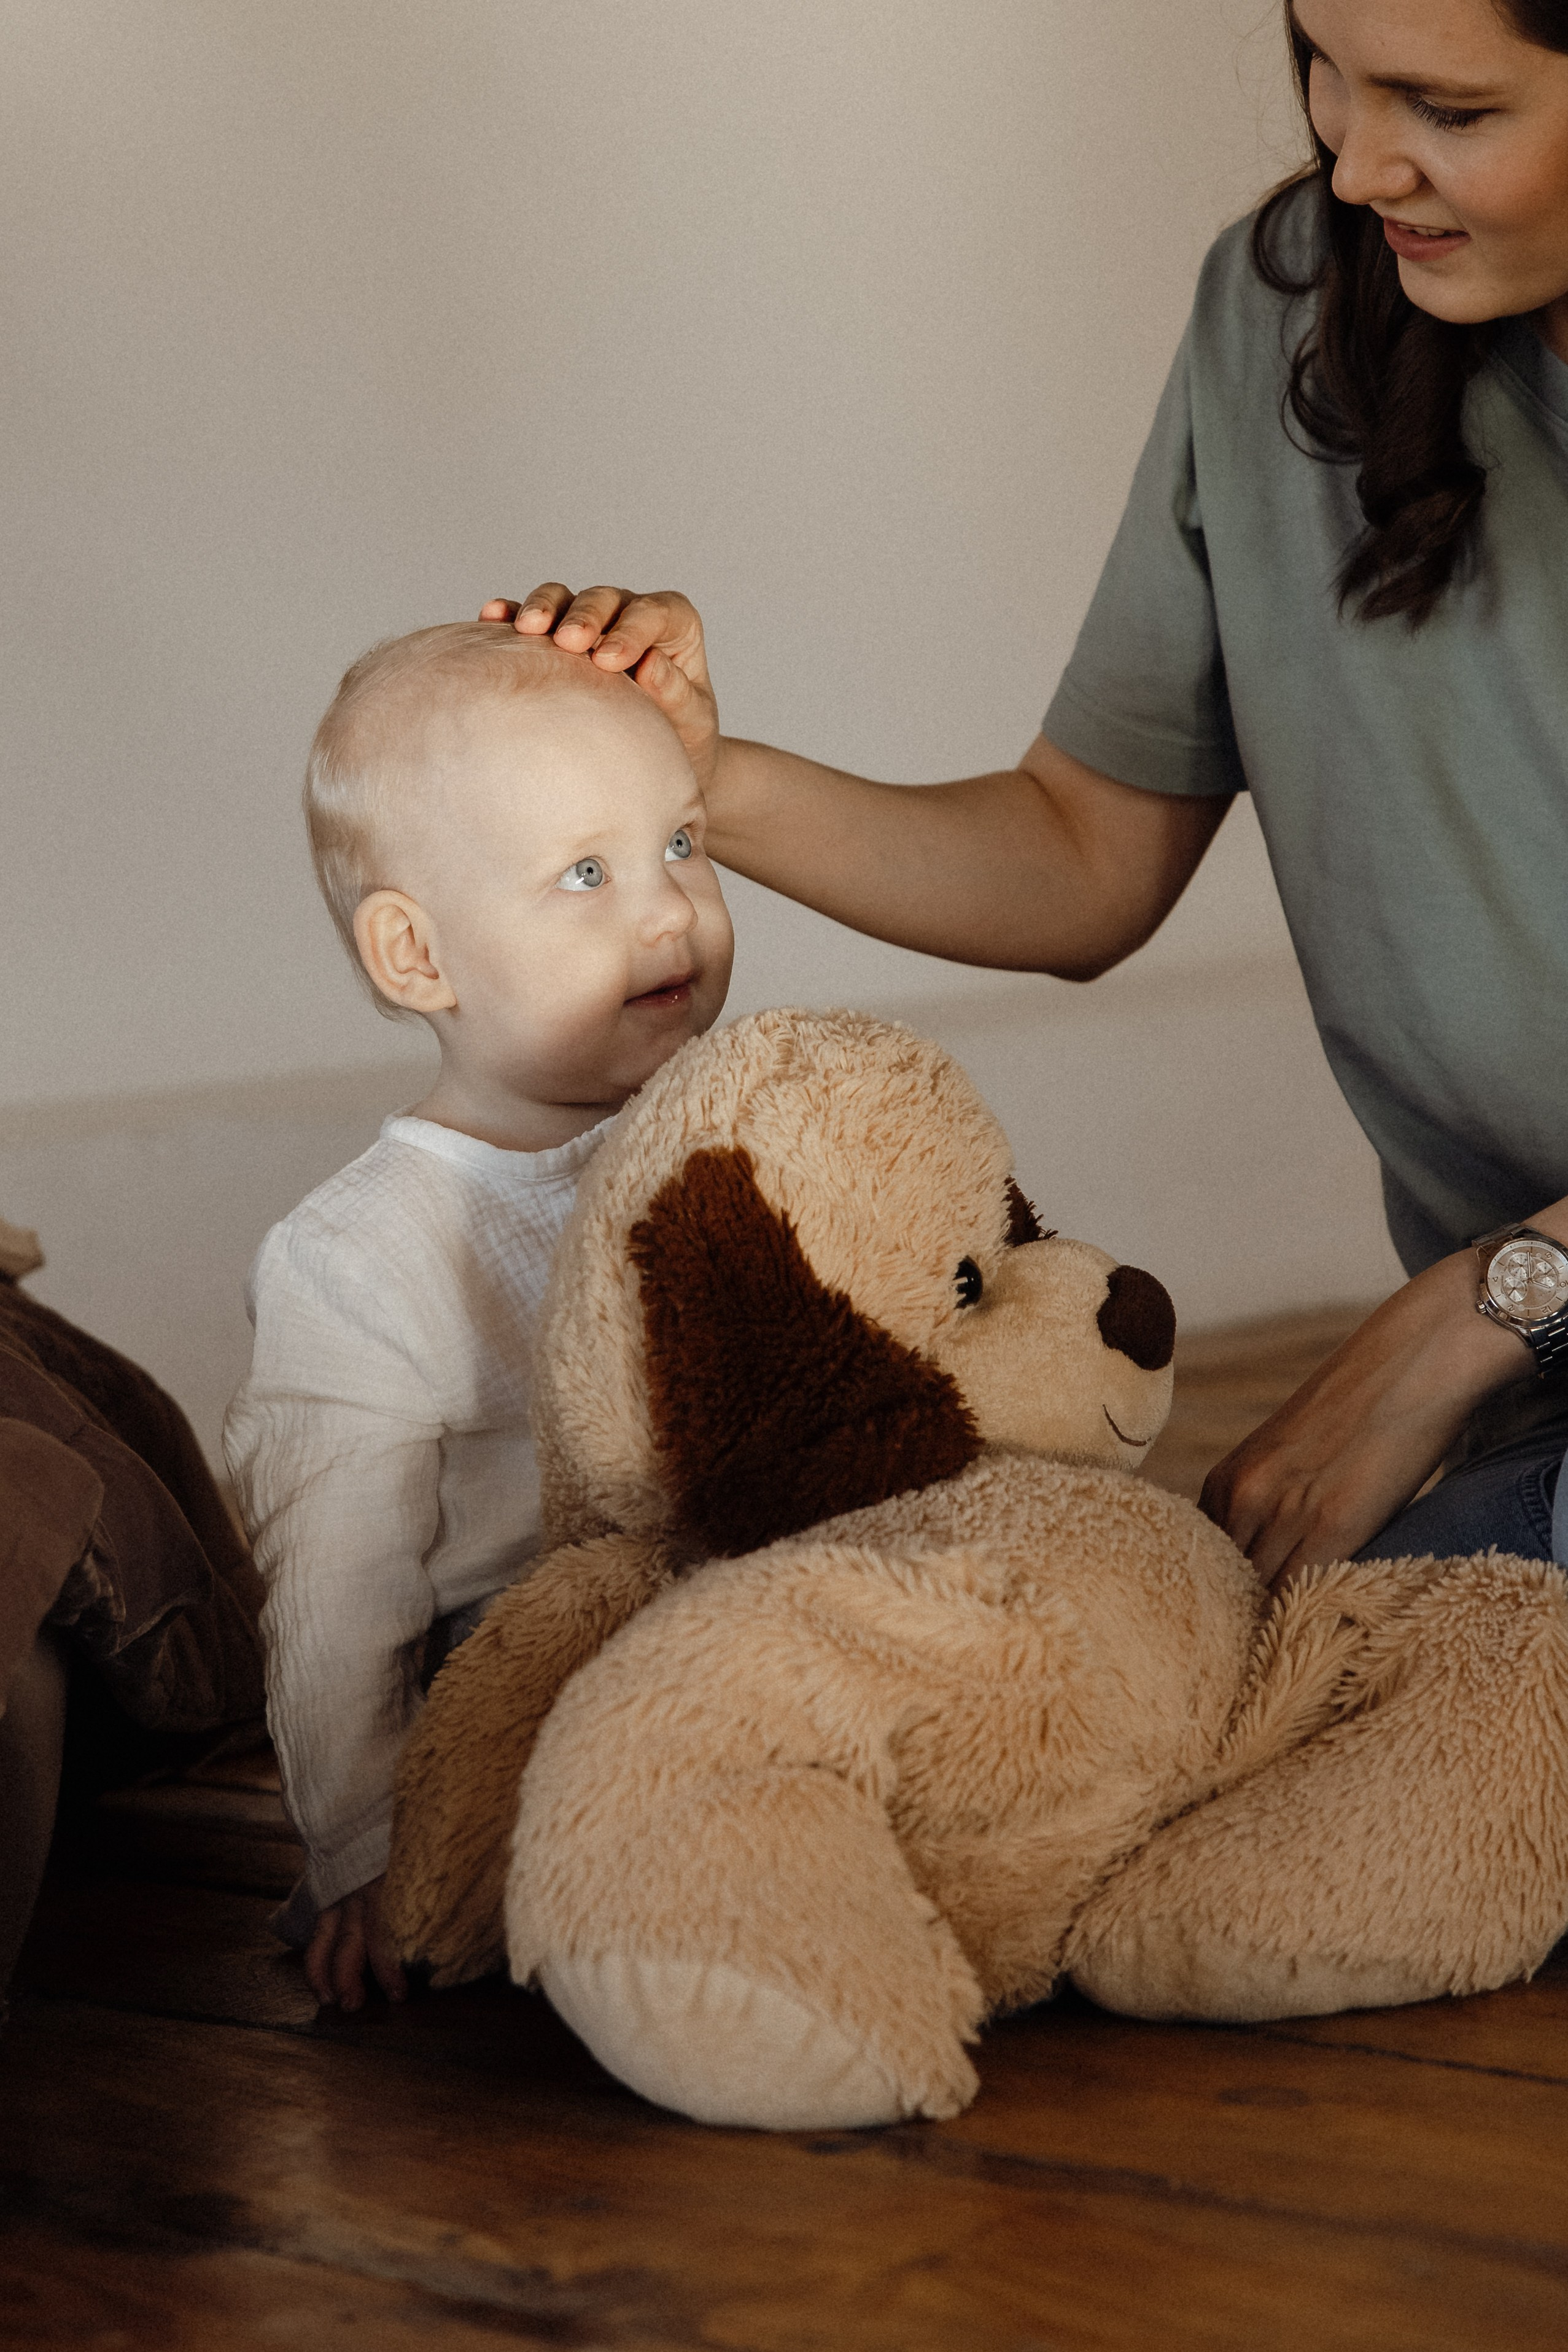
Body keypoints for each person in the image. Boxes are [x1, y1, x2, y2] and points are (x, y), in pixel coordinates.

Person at [485, 0, 1568, 1594]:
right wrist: (687, 778)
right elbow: (1079, 857)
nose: (1352, 162)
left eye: (1447, 108)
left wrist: (1491, 1302)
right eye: (1323, 66)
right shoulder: (1288, 306)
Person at [223, 623, 733, 2009]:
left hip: (726, 1602)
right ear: (417, 955)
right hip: (509, 1669)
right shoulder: (361, 1251)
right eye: (585, 873)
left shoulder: (729, 1129)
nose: (667, 911)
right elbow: (334, 1588)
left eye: (681, 844)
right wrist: (370, 1847)